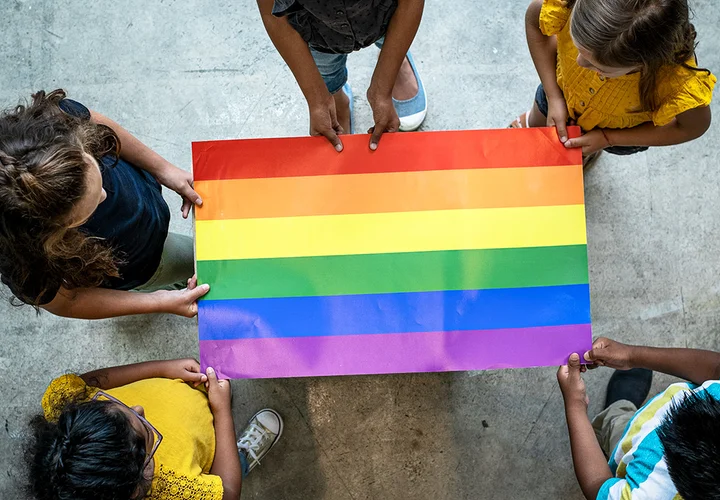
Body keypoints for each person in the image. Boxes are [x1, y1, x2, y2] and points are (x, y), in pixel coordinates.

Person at [0, 89, 209, 319]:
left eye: (94, 167)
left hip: (146, 225)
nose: (103, 194)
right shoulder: (25, 264)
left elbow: (98, 124)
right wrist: (158, 301)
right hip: (139, 264)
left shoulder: (50, 124)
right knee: (183, 263)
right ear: (51, 234)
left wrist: (162, 168)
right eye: (87, 209)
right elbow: (69, 302)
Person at [27, 358, 283, 500]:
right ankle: (241, 456)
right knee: (229, 467)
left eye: (118, 405)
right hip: (208, 445)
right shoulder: (174, 490)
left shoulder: (63, 406)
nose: (139, 408)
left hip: (190, 402)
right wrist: (222, 412)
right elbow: (228, 492)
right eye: (147, 432)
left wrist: (161, 368)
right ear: (140, 481)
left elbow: (89, 383)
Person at [516, 0, 716, 165]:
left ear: (644, 64)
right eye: (578, 48)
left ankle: (581, 155)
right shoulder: (570, 6)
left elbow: (693, 127)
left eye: (599, 67)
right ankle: (532, 125)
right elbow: (534, 21)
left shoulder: (676, 82)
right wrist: (553, 96)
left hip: (618, 132)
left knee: (575, 151)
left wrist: (608, 138)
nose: (578, 63)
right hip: (559, 93)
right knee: (538, 118)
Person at [557, 337, 720, 500]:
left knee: (616, 427)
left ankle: (614, 413)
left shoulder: (647, 493)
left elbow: (597, 485)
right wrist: (631, 355)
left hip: (628, 448)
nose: (666, 421)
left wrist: (575, 405)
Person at [257, 0, 427, 152]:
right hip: (318, 29)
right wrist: (319, 100)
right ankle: (335, 96)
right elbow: (271, 13)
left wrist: (382, 90)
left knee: (392, 39)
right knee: (326, 71)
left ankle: (397, 65)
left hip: (385, 14)